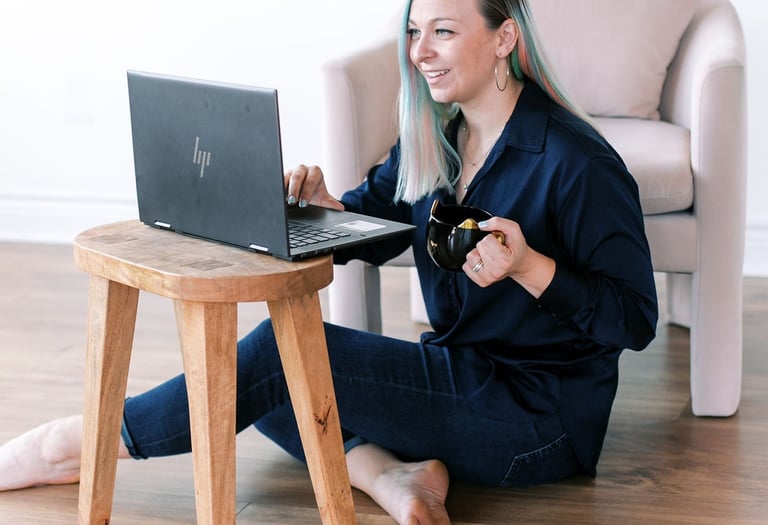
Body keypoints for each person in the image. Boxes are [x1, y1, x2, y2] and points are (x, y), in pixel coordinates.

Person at [0, 0, 658, 523]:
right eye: (414, 32)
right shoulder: (439, 135)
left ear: (504, 38)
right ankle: (386, 474)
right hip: (459, 376)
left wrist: (529, 266)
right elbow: (376, 226)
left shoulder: (577, 162)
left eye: (443, 31)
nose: (419, 52)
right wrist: (327, 208)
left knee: (272, 359)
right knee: (270, 376)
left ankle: (75, 445)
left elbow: (634, 320)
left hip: (538, 422)